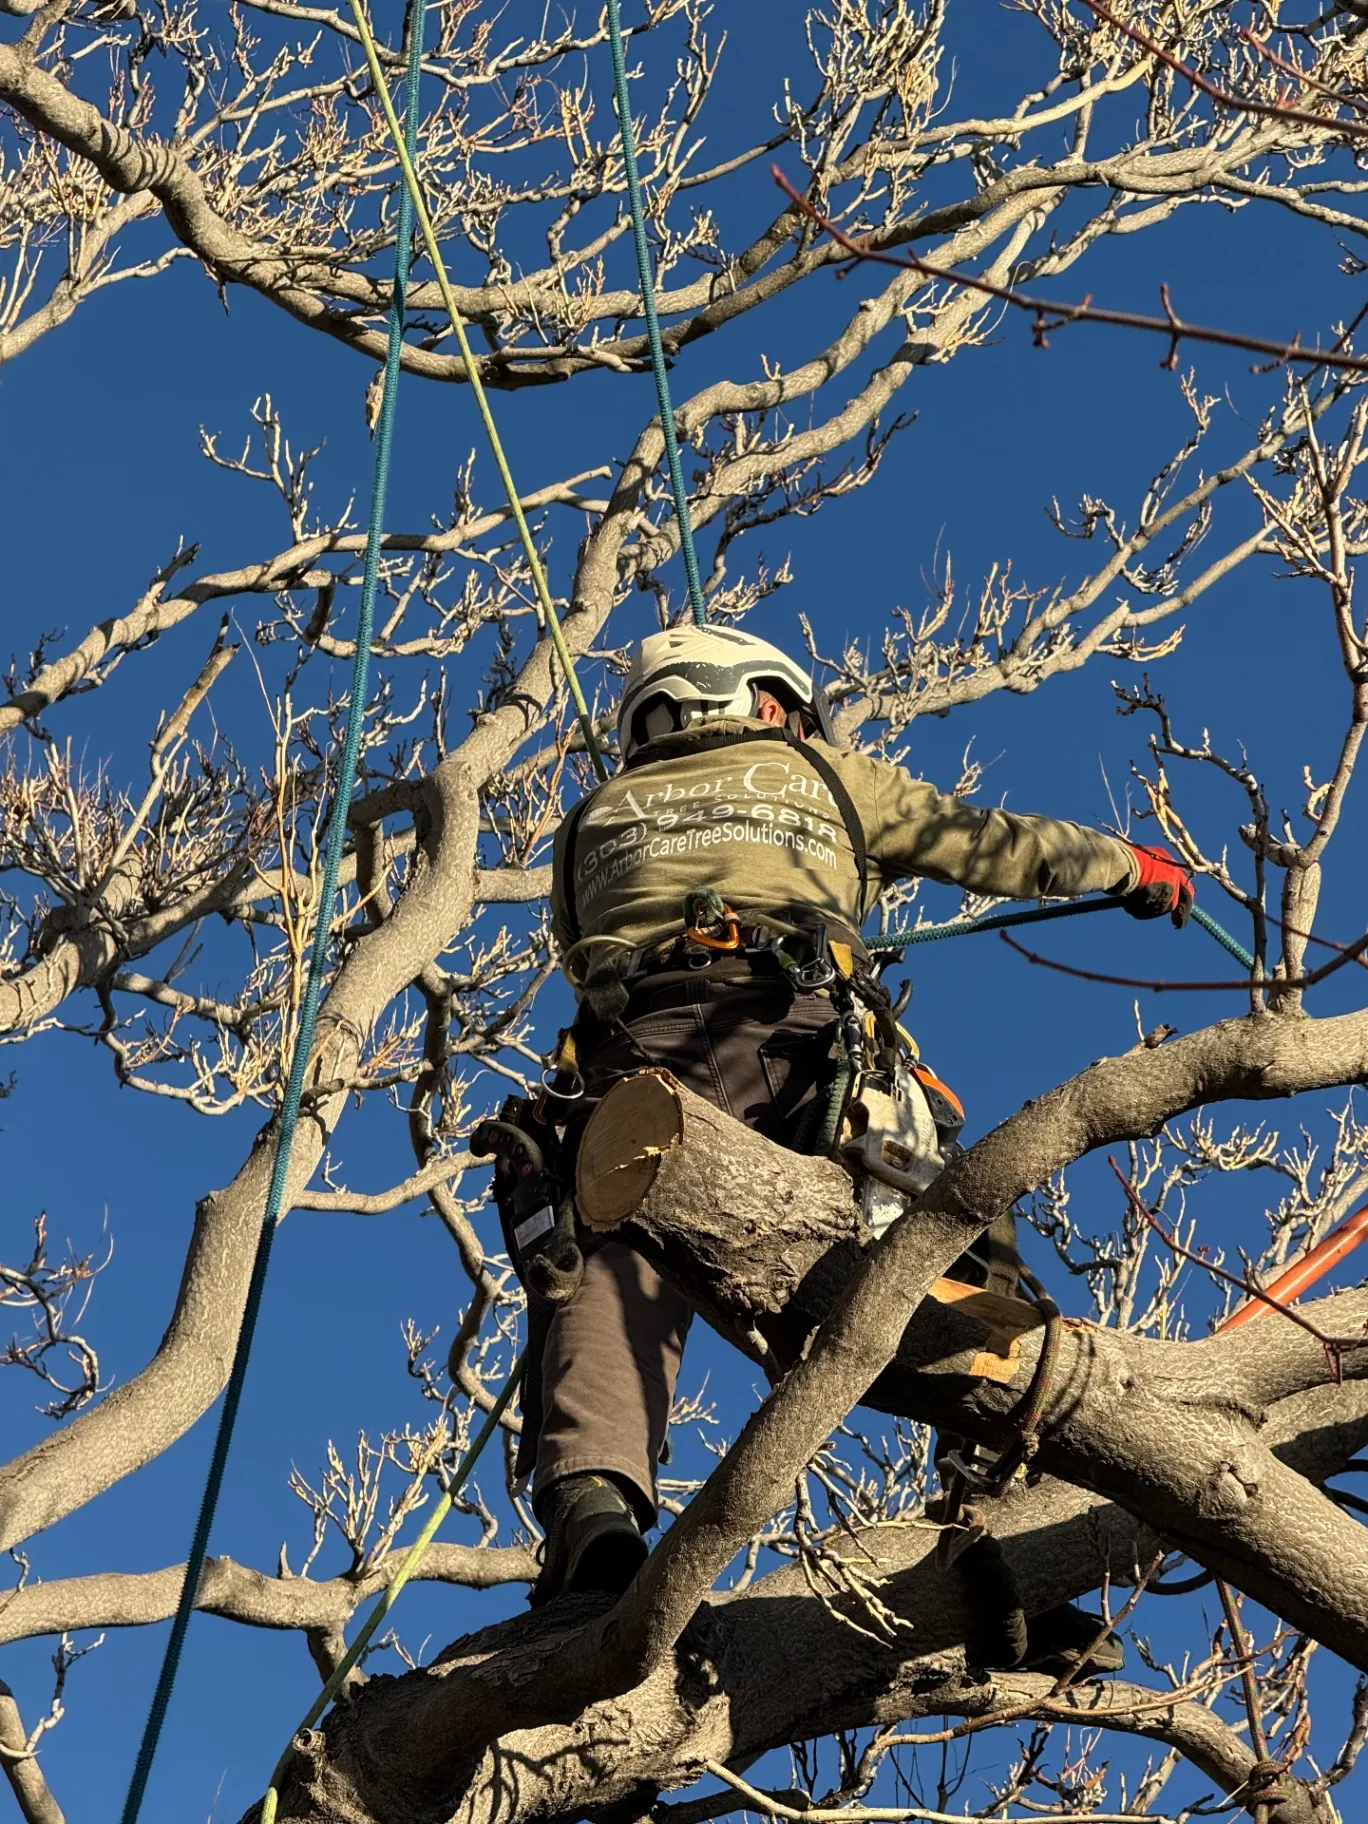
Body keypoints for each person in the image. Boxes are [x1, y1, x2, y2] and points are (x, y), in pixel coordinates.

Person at [516, 626, 1192, 1660]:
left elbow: (582, 955)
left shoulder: (588, 823)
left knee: (610, 1271)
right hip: (813, 1051)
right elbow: (990, 842)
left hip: (636, 1062)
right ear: (765, 701)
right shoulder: (819, 771)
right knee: (947, 1249)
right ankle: (1011, 1523)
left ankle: (592, 1520)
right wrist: (1129, 865)